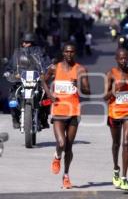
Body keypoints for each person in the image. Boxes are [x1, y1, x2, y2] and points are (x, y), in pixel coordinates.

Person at [42, 43, 90, 189]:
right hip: (58, 111)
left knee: (68, 147)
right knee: (61, 143)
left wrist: (79, 85)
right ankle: (57, 157)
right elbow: (42, 79)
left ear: (74, 53)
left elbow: (88, 91)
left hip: (74, 111)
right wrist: (50, 95)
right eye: (67, 52)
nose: (69, 54)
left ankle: (66, 176)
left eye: (72, 52)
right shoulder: (55, 68)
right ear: (63, 53)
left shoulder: (80, 69)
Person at [104, 48, 128, 191]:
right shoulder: (110, 74)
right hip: (114, 112)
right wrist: (114, 90)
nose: (124, 60)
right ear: (116, 59)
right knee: (116, 144)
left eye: (126, 58)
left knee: (126, 142)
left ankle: (124, 178)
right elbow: (104, 97)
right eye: (121, 58)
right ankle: (116, 169)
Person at [3, 32, 51, 129]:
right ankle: (15, 118)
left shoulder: (40, 52)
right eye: (24, 42)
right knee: (12, 98)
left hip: (36, 80)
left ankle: (44, 118)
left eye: (27, 42)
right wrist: (8, 72)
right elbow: (10, 65)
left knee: (46, 98)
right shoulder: (17, 53)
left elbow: (47, 64)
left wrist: (47, 71)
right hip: (21, 80)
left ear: (31, 42)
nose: (25, 44)